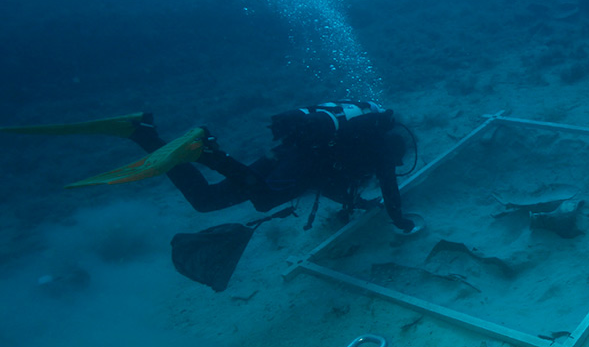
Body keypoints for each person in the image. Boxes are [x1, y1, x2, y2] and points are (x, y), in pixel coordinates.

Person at [3, 101, 419, 233]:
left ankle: (142, 132)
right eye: (398, 160)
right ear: (393, 150)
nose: (394, 164)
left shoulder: (353, 142)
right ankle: (207, 151)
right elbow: (388, 183)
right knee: (264, 197)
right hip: (294, 165)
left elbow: (333, 186)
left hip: (286, 160)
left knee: (205, 202)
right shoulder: (380, 152)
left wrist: (359, 206)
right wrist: (400, 219)